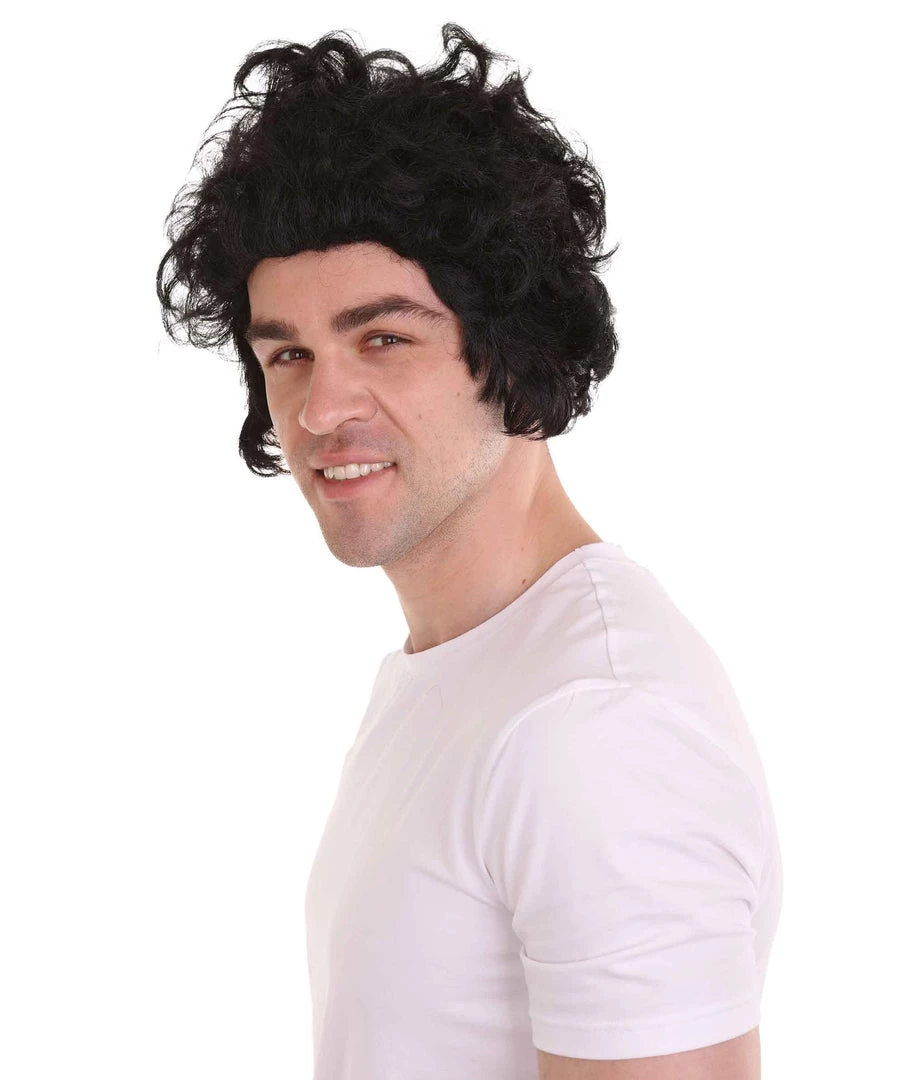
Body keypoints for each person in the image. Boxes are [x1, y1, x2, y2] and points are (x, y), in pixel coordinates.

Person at [156, 23, 781, 1079]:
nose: (319, 409)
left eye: (383, 338)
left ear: (514, 350)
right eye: (288, 353)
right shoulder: (469, 671)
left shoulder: (594, 724)